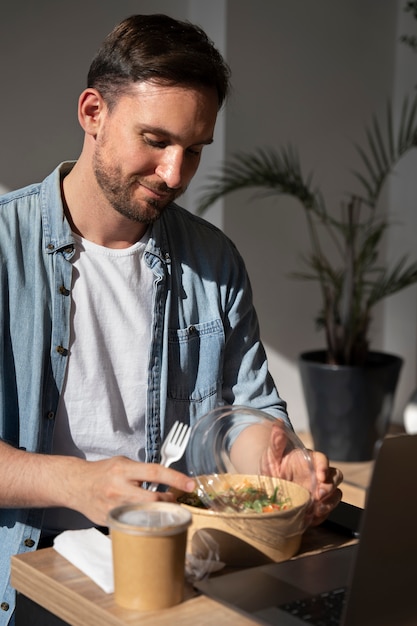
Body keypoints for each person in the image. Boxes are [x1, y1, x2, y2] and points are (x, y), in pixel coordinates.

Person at [0, 14, 342, 624]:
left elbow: (247, 410)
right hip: (31, 568)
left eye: (195, 150)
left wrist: (280, 464)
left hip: (184, 558)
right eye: (156, 141)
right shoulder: (5, 248)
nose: (175, 174)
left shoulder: (212, 260)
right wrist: (77, 484)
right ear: (92, 113)